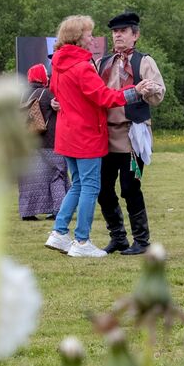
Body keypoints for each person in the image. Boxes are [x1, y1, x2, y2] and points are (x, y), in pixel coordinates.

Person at [45, 15, 152, 259]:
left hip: (66, 134)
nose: (92, 38)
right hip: (86, 135)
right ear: (77, 37)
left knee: (77, 184)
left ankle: (59, 232)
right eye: (89, 34)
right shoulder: (82, 66)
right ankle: (82, 240)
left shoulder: (58, 63)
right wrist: (134, 92)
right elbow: (104, 96)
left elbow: (56, 91)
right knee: (91, 187)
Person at [95, 11, 166, 255]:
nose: (118, 35)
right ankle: (118, 237)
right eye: (115, 32)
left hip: (132, 135)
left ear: (135, 35)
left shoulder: (144, 62)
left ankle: (142, 241)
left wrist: (149, 89)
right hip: (106, 136)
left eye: (123, 31)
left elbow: (159, 94)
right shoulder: (103, 63)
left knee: (129, 187)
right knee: (103, 189)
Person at [17, 62, 69, 220]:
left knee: (29, 179)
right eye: (45, 74)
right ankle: (59, 209)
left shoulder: (22, 94)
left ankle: (28, 213)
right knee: (57, 174)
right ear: (41, 77)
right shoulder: (47, 93)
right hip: (49, 141)